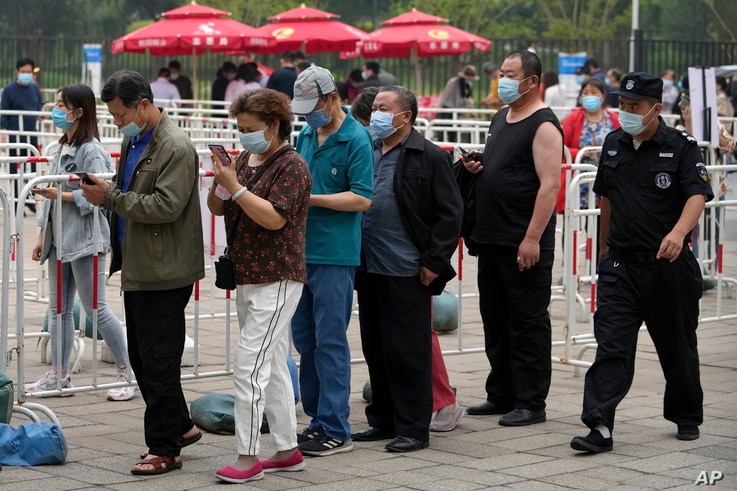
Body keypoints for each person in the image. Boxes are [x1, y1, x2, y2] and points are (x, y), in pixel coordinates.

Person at [570, 72, 713, 453]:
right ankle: (599, 424)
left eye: (634, 107)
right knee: (611, 345)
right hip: (621, 266)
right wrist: (603, 253)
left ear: (655, 108)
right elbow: (607, 202)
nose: (626, 113)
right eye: (623, 106)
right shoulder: (614, 143)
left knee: (677, 345)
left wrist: (679, 233)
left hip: (668, 265)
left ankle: (686, 414)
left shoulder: (680, 145)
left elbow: (697, 195)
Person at [81, 69, 205, 475]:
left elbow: (166, 207)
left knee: (157, 360)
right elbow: (129, 198)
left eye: (121, 114)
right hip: (139, 265)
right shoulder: (135, 138)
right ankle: (182, 425)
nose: (118, 122)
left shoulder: (175, 146)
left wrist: (110, 197)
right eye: (114, 116)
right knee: (143, 356)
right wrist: (106, 196)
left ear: (145, 105)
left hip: (166, 269)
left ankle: (164, 447)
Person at [207, 88, 312, 483]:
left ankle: (248, 456)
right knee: (273, 364)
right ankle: (287, 450)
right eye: (238, 129)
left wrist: (236, 188)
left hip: (278, 276)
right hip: (248, 274)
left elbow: (274, 219)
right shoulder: (245, 159)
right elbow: (218, 208)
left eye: (249, 129)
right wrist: (223, 181)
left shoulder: (293, 165)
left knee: (248, 365)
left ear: (273, 125)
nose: (243, 137)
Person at [351, 85, 463, 452]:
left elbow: (451, 214)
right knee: (376, 348)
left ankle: (414, 428)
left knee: (408, 352)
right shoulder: (368, 149)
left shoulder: (428, 155)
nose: (377, 114)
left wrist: (434, 261)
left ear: (406, 117)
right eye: (376, 108)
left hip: (407, 269)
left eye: (385, 108)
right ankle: (382, 420)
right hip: (369, 267)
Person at [462, 50, 562, 426]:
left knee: (526, 321)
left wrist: (532, 238)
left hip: (522, 240)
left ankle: (531, 401)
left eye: (510, 74)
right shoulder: (501, 117)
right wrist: (476, 167)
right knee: (495, 319)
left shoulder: (544, 126)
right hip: (491, 237)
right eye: (501, 72)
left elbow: (550, 186)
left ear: (532, 82)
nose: (502, 79)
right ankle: (500, 393)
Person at [27, 84, 135, 402]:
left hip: (85, 239)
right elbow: (49, 201)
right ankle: (60, 376)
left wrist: (57, 194)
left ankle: (127, 371)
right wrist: (41, 237)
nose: (56, 109)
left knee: (95, 309)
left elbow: (97, 197)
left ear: (79, 111)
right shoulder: (61, 147)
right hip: (58, 240)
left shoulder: (91, 149)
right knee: (59, 309)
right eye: (56, 103)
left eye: (62, 104)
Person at [289, 66, 374, 457]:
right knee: (305, 340)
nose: (308, 116)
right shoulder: (306, 133)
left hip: (335, 255)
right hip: (299, 251)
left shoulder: (356, 138)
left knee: (330, 341)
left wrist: (313, 200)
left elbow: (361, 198)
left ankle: (337, 427)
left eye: (313, 107)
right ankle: (316, 419)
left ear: (333, 98)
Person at [556, 78, 620, 213]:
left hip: (606, 181)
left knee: (601, 221)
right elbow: (561, 146)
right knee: (574, 222)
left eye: (594, 92)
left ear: (602, 97)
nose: (589, 96)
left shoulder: (613, 119)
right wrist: (578, 153)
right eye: (585, 92)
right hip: (579, 182)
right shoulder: (573, 118)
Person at [1, 57, 44, 213]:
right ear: (17, 72)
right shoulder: (9, 90)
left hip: (31, 134)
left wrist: (41, 115)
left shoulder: (34, 88)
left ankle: (29, 198)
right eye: (23, 72)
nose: (26, 74)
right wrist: (4, 133)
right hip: (15, 136)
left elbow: (39, 106)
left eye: (29, 72)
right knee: (14, 169)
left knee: (32, 167)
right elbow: (3, 113)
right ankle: (14, 200)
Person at [436, 65, 478, 142]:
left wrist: (468, 109)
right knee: (443, 130)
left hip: (458, 110)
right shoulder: (454, 82)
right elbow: (445, 95)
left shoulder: (468, 84)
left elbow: (467, 98)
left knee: (454, 132)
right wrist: (439, 109)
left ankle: (452, 150)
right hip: (448, 108)